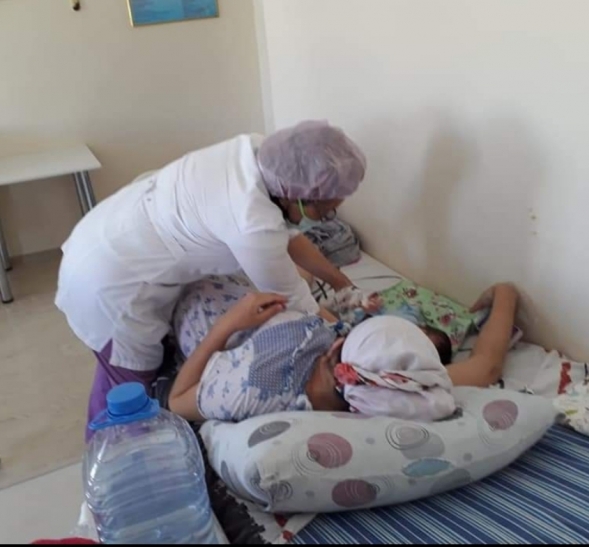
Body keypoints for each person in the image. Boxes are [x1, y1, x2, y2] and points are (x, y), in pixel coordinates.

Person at [54, 121, 366, 439]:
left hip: (110, 231)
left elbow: (287, 234)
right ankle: (112, 454)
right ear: (297, 197)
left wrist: (343, 283)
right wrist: (355, 337)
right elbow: (299, 302)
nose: (326, 220)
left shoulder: (264, 156)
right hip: (108, 281)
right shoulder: (252, 222)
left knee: (137, 376)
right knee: (127, 393)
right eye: (325, 214)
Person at [167, 277, 519, 423]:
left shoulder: (250, 388)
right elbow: (486, 367)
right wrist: (504, 294)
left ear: (338, 346)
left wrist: (227, 324)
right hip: (253, 297)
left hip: (202, 308)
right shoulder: (404, 386)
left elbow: (177, 400)